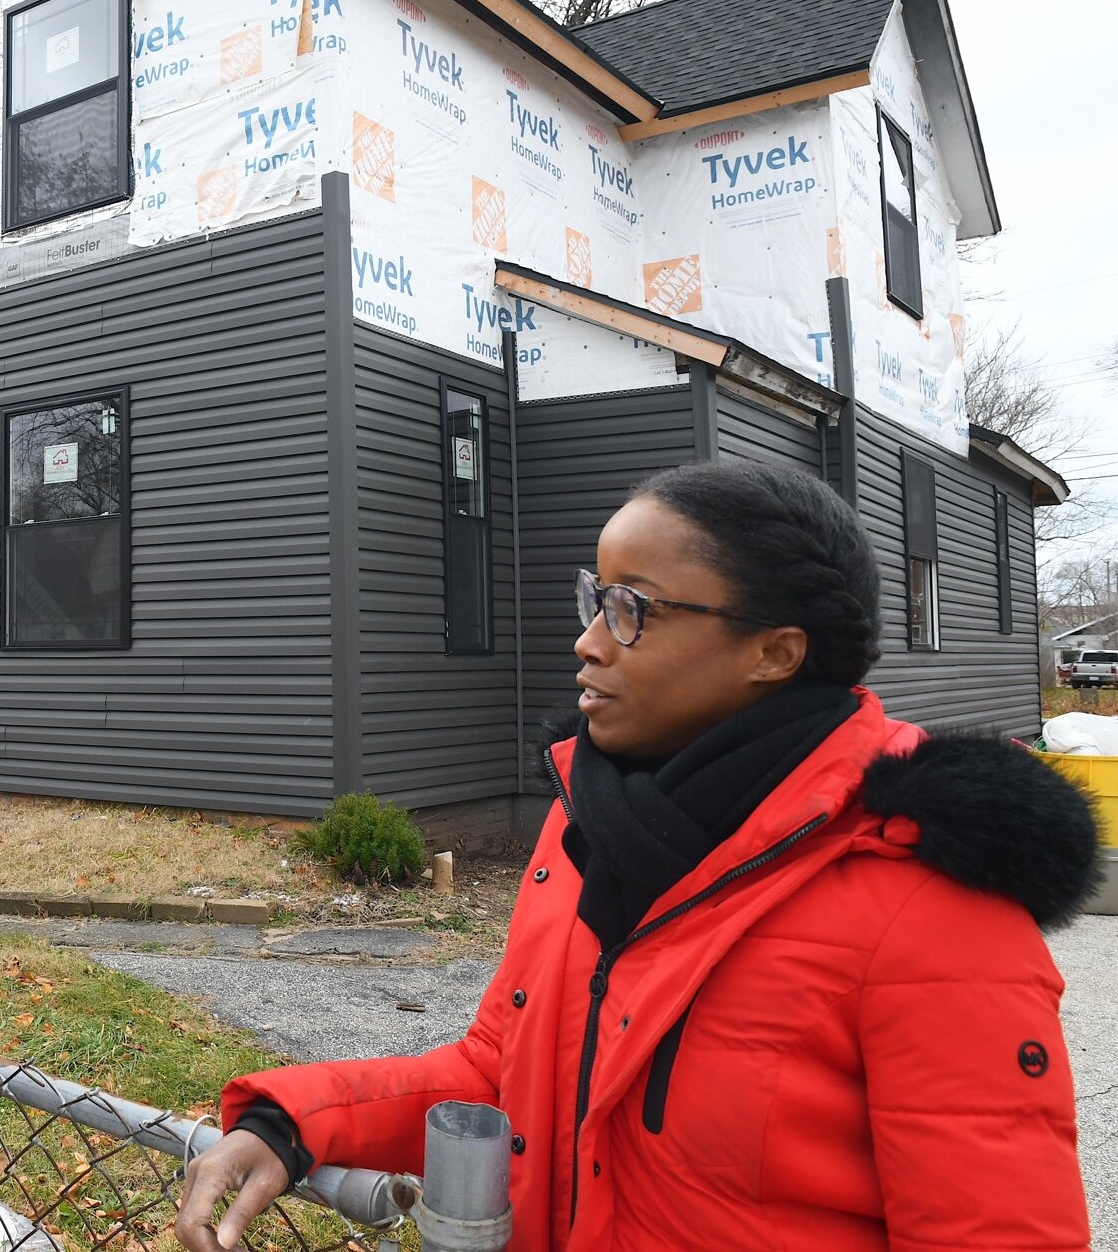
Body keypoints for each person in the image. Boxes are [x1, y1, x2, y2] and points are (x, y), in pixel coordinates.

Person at [177, 461, 1099, 1252]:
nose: (586, 642)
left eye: (631, 611)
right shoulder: (588, 831)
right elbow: (504, 1072)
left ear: (775, 651)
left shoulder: (923, 894)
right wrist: (292, 1122)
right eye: (594, 598)